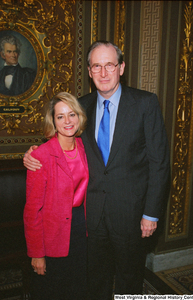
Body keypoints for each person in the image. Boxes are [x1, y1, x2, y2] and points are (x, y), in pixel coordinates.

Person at [23, 41, 170, 299]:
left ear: (121, 68)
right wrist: (33, 154)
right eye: (97, 66)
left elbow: (159, 163)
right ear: (89, 72)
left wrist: (151, 213)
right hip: (90, 218)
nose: (103, 73)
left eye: (110, 65)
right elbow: (63, 142)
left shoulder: (145, 103)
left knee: (129, 278)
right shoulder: (81, 107)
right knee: (94, 281)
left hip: (131, 214)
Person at [23, 92, 89, 300]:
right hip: (52, 232)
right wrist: (36, 253)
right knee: (53, 290)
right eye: (60, 116)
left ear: (79, 117)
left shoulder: (85, 147)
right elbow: (32, 210)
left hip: (82, 228)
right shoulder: (40, 155)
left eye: (72, 114)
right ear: (53, 121)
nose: (67, 121)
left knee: (78, 287)